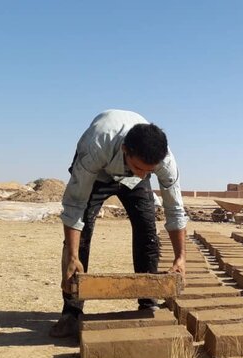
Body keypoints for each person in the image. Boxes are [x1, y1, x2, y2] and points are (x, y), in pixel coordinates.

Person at [50, 110, 188, 337]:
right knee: (82, 235)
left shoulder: (164, 162)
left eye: (149, 171)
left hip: (127, 176)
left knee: (147, 231)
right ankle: (71, 311)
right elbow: (74, 205)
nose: (144, 176)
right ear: (126, 150)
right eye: (139, 167)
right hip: (98, 174)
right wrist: (72, 257)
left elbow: (174, 210)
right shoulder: (94, 148)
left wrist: (180, 257)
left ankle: (148, 303)